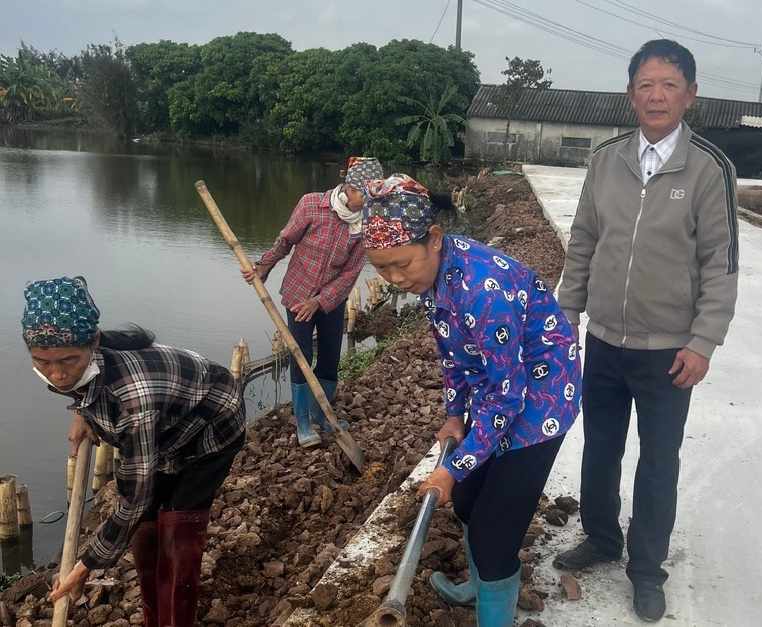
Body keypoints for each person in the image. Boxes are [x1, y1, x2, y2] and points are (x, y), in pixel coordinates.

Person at [553, 39, 740, 622]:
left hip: (669, 352)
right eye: (646, 85)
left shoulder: (709, 168)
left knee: (659, 460)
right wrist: (567, 312)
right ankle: (602, 537)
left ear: (691, 94)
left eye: (669, 85)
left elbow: (720, 262)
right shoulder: (606, 160)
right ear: (630, 94)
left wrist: (703, 341)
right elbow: (584, 241)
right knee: (600, 448)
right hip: (605, 340)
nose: (657, 96)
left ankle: (647, 569)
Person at [360, 174, 581, 626]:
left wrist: (450, 468)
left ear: (434, 238)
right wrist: (454, 415)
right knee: (465, 503)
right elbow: (453, 353)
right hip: (498, 390)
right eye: (382, 269)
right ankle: (478, 589)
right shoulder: (434, 274)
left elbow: (508, 400)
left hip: (539, 402)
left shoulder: (483, 291)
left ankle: (493, 600)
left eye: (402, 265)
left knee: (494, 538)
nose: (395, 278)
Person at [24, 276, 245, 627]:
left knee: (179, 528)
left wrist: (85, 566)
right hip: (163, 424)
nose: (57, 374)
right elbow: (86, 386)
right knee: (145, 529)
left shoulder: (132, 399)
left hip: (211, 424)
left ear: (94, 344)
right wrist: (83, 413)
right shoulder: (83, 363)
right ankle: (153, 617)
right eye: (42, 362)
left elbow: (134, 497)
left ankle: (176, 620)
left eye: (68, 361)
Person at [243, 157, 382, 447]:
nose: (367, 202)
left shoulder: (365, 222)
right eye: (363, 195)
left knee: (330, 357)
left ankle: (322, 415)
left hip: (332, 300)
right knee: (301, 356)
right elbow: (285, 241)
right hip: (298, 294)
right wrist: (264, 266)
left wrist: (320, 301)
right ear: (349, 188)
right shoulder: (312, 205)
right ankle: (303, 422)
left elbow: (351, 272)